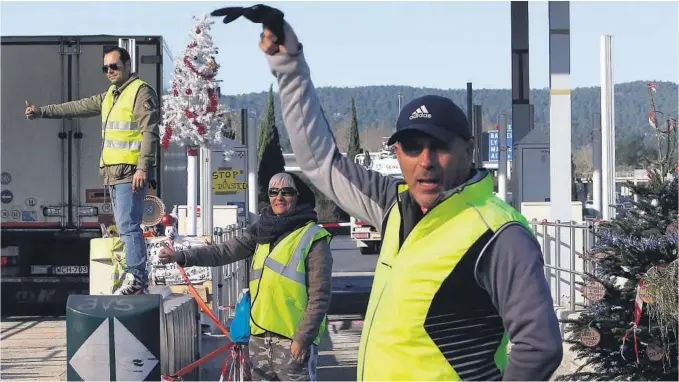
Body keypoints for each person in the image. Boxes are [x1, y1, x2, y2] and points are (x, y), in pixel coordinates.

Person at [255, 18, 563, 381]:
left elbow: (540, 344)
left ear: (468, 150)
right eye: (413, 148)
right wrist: (288, 64)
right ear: (397, 152)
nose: (426, 161)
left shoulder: (498, 232)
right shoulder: (394, 205)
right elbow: (319, 162)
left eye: (440, 147)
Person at [158, 172, 333, 381]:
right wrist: (181, 256)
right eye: (273, 192)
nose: (279, 197)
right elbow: (221, 252)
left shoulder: (312, 237)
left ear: (297, 196)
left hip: (292, 341)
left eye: (286, 192)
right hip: (259, 339)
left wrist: (303, 338)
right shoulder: (261, 230)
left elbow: (320, 297)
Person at [25, 46, 160, 295]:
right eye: (105, 67)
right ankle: (134, 275)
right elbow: (77, 106)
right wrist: (42, 111)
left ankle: (138, 277)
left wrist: (143, 167)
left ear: (127, 65)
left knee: (128, 226)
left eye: (114, 66)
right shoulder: (111, 95)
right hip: (114, 174)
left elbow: (150, 132)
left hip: (130, 173)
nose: (109, 71)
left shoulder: (140, 92)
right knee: (124, 226)